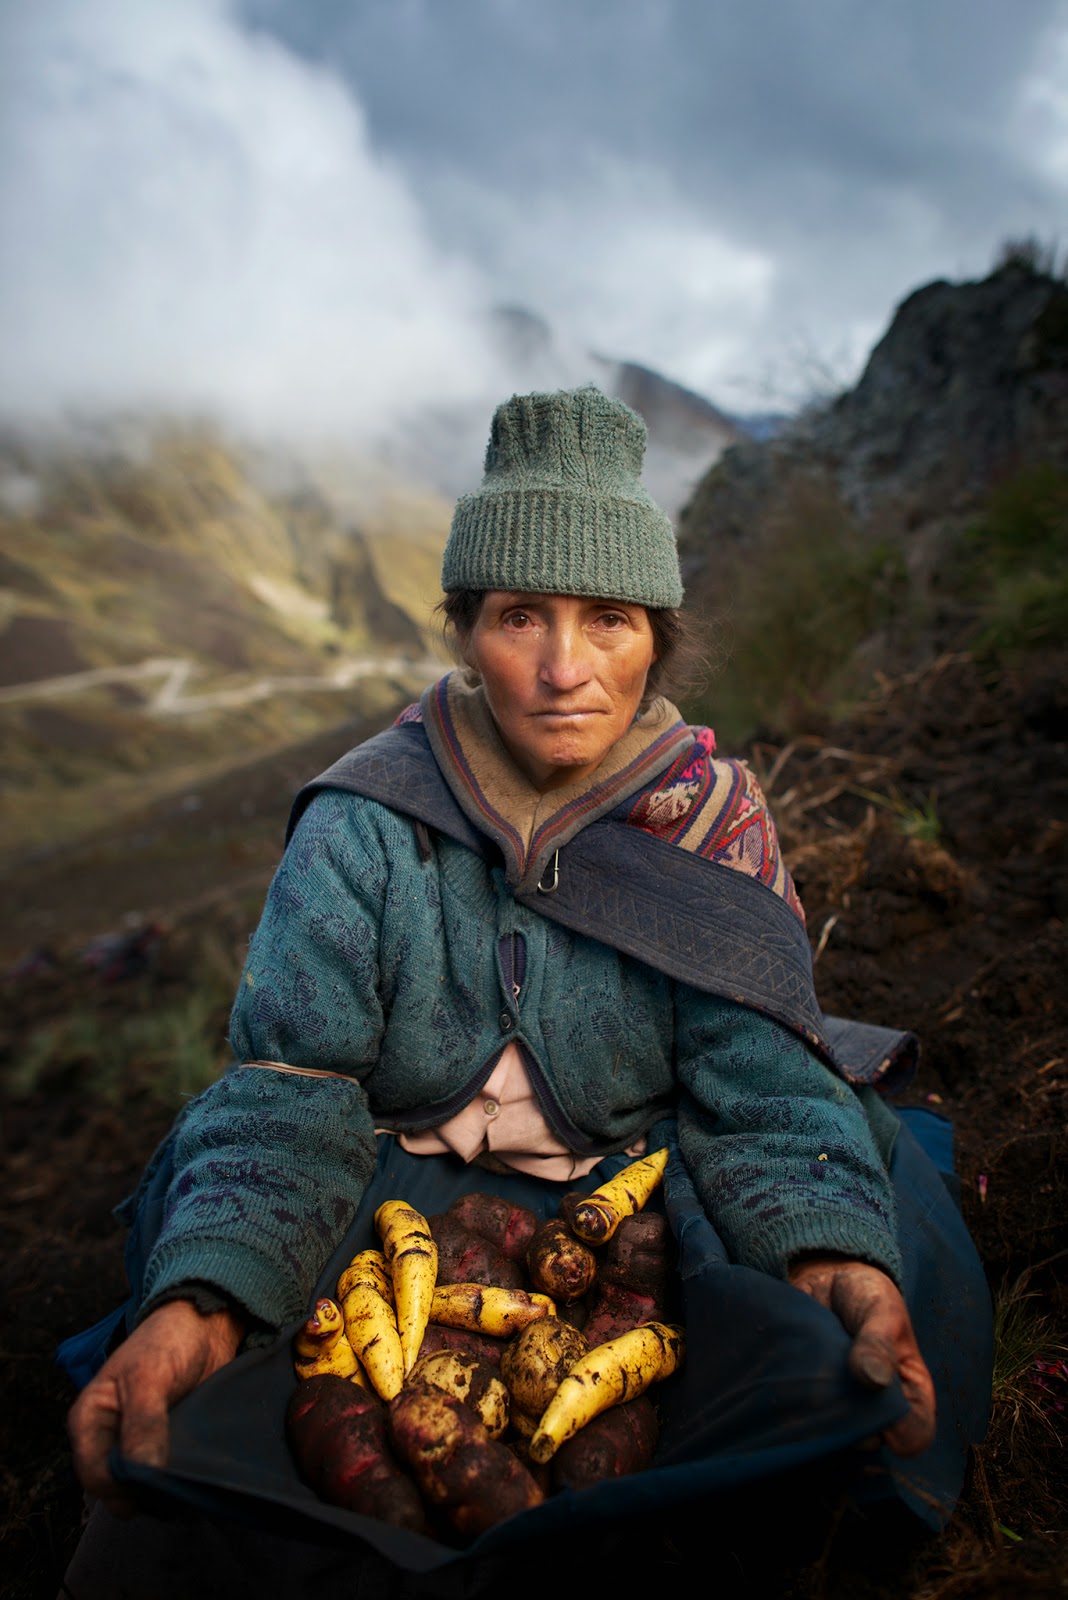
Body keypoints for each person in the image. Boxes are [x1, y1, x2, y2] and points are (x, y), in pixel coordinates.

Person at [62, 385, 989, 1594]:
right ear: (462, 629)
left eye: (607, 619)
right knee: (223, 1319)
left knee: (830, 1282)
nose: (563, 669)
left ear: (655, 635)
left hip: (633, 1183)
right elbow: (295, 1083)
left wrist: (827, 1258)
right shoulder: (365, 821)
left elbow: (755, 1079)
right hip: (388, 1183)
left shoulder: (709, 821)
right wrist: (211, 1296)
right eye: (518, 616)